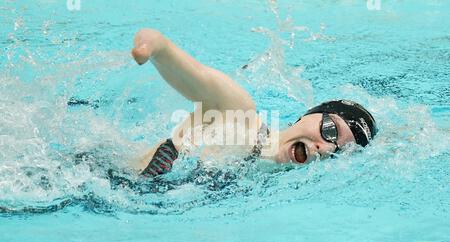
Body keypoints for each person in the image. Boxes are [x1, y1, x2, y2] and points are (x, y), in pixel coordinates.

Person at [129, 29, 378, 178]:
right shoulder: (237, 114)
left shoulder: (259, 184)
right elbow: (167, 50)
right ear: (309, 114)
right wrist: (151, 47)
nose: (325, 148)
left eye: (339, 152)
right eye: (330, 130)